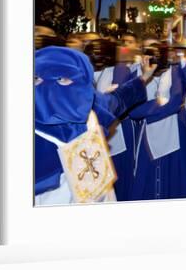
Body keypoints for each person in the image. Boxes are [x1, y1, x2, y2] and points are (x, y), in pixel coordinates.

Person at [34, 46, 156, 205]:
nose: (49, 89)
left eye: (62, 79)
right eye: (37, 79)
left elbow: (117, 100)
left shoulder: (88, 107)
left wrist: (143, 78)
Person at [128, 42, 186, 200]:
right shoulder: (136, 74)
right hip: (146, 135)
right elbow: (133, 111)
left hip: (173, 132)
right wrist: (160, 104)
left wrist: (149, 109)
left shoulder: (175, 71)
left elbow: (175, 101)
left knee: (175, 179)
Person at [85, 38, 138, 201]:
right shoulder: (83, 71)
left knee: (118, 179)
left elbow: (117, 101)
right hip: (94, 132)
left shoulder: (118, 69)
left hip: (117, 130)